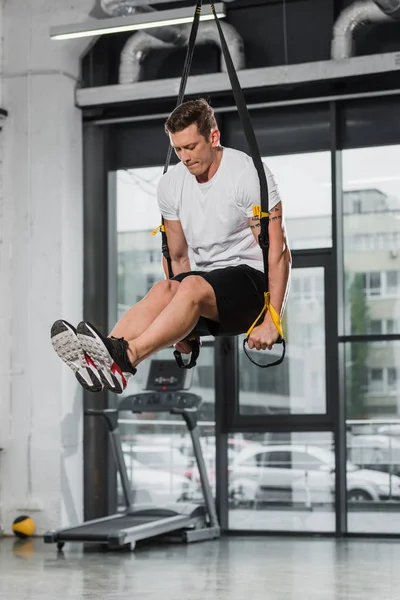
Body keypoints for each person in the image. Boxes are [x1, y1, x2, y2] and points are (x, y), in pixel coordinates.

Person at [51, 98, 292, 394]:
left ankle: (127, 358)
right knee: (164, 289)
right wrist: (180, 326)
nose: (185, 157)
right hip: (206, 289)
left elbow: (278, 254)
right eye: (178, 149)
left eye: (191, 147)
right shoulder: (171, 184)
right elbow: (177, 256)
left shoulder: (247, 175)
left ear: (213, 137)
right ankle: (101, 358)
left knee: (191, 286)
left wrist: (272, 319)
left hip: (253, 290)